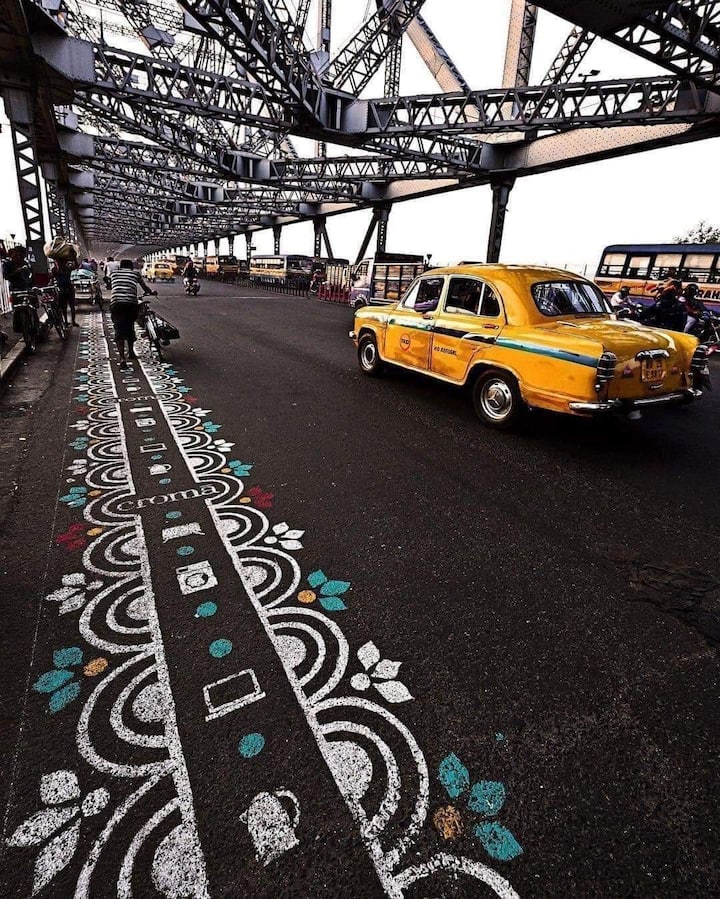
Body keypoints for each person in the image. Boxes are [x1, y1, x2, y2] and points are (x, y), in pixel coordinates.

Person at [109, 259, 154, 369]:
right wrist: (150, 292)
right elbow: (144, 287)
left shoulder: (114, 273)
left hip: (116, 304)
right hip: (131, 304)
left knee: (118, 328)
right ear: (131, 267)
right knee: (130, 326)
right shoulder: (135, 274)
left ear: (120, 267)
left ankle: (122, 358)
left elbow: (110, 285)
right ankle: (131, 352)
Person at [2, 245, 34, 343]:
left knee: (32, 308)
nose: (19, 257)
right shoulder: (7, 264)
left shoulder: (25, 263)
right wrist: (17, 271)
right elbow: (6, 276)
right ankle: (23, 332)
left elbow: (31, 275)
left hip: (27, 288)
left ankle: (34, 328)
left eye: (22, 255)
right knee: (18, 311)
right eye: (18, 254)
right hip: (15, 289)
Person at [52, 257, 78, 327]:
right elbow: (51, 277)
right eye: (60, 263)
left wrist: (74, 258)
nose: (61, 264)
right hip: (62, 290)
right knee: (64, 307)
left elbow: (76, 266)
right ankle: (65, 321)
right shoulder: (55, 270)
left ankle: (73, 321)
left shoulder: (68, 269)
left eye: (63, 262)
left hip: (69, 289)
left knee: (72, 306)